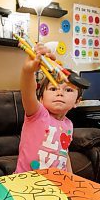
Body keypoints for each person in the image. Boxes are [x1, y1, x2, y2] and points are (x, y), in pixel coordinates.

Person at [15, 44, 87, 173]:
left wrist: (71, 179)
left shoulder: (68, 124)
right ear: (41, 99)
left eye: (68, 90)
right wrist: (28, 71)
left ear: (77, 101)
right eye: (53, 88)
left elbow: (64, 154)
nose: (60, 93)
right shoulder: (37, 114)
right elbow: (28, 91)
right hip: (26, 183)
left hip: (56, 183)